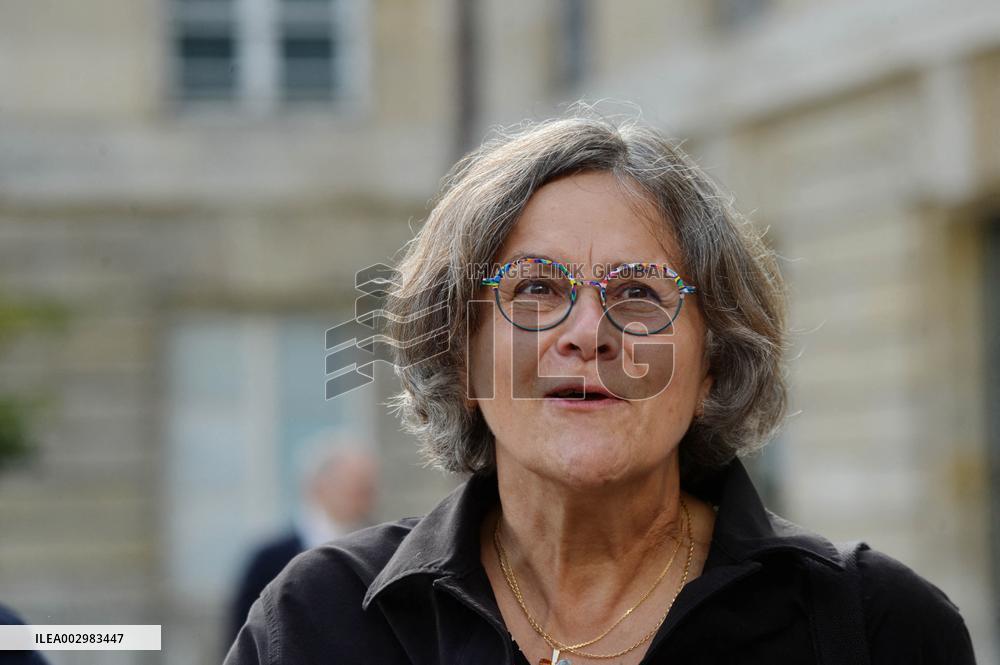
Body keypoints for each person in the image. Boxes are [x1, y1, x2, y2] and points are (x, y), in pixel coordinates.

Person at [224, 110, 977, 664]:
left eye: (640, 294)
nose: (588, 332)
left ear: (713, 363)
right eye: (535, 289)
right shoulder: (320, 621)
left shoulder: (875, 627)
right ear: (462, 357)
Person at [225, 431, 378, 649]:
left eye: (367, 490)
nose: (364, 499)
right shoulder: (269, 559)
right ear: (318, 487)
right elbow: (242, 641)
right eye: (354, 489)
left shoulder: (381, 554)